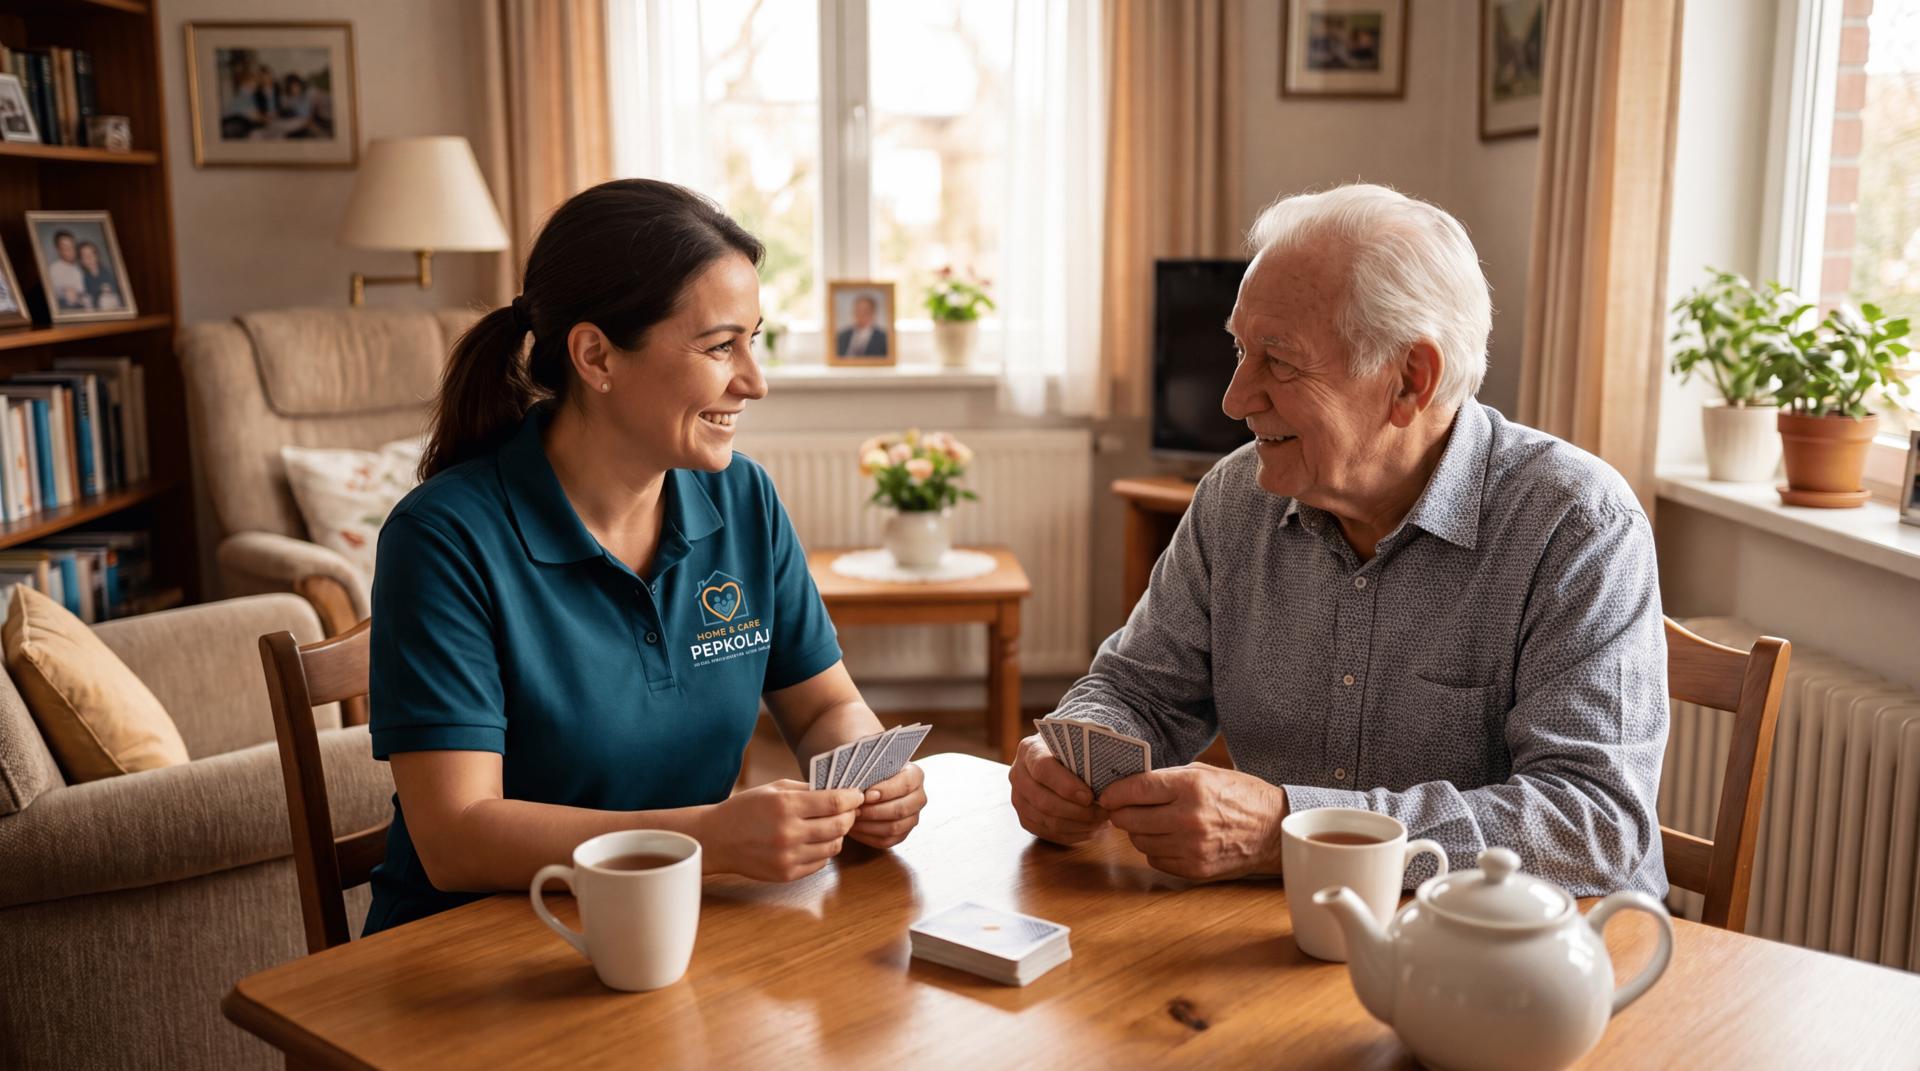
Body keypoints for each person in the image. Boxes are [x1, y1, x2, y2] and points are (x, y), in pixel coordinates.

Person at [1010, 183, 1669, 898]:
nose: (1234, 398)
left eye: (1280, 361)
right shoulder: (1236, 500)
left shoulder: (1577, 524)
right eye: (1239, 349)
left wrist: (1297, 828)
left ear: (1410, 379)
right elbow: (1135, 688)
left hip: (1534, 965)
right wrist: (1070, 750)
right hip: (1296, 936)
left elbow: (1590, 822)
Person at [363, 179, 928, 935]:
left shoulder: (743, 501)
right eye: (720, 345)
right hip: (480, 950)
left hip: (675, 930)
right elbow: (455, 836)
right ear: (596, 355)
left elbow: (825, 704)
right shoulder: (443, 539)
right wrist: (712, 837)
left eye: (753, 340)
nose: (754, 382)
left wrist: (871, 773)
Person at [42, 231, 87, 311]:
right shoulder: (53, 270)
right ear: (58, 250)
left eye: (72, 246)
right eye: (66, 247)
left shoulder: (79, 269)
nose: (70, 250)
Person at [76, 241, 122, 311]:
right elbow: (88, 294)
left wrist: (109, 289)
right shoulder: (85, 277)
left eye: (92, 254)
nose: (89, 258)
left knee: (106, 299)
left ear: (97, 256)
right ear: (81, 261)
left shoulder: (106, 272)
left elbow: (115, 289)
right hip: (96, 305)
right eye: (85, 256)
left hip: (112, 302)